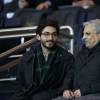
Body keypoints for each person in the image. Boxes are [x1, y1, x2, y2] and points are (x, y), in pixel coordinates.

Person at [11, 19, 74, 100]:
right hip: (28, 94)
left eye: (54, 34)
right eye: (46, 34)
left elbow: (69, 78)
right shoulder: (27, 57)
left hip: (51, 95)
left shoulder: (66, 57)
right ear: (38, 36)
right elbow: (20, 82)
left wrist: (66, 89)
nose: (50, 38)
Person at [53, 19, 100, 100]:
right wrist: (66, 89)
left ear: (99, 35)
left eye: (87, 34)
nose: (83, 38)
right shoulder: (80, 54)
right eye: (83, 34)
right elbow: (71, 74)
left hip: (94, 95)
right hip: (76, 95)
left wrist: (83, 91)